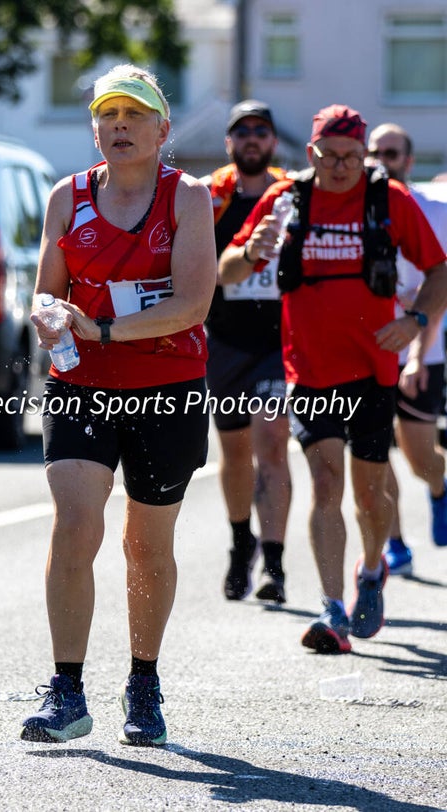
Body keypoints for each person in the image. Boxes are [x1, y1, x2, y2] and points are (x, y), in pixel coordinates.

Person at [19, 64, 216, 745]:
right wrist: (47, 317)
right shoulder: (66, 196)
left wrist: (101, 328)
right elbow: (46, 291)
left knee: (144, 545)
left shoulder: (188, 197)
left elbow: (193, 303)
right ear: (94, 130)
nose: (119, 125)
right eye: (107, 115)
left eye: (133, 114)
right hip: (82, 387)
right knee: (76, 524)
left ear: (162, 129)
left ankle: (143, 681)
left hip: (167, 388)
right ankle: (66, 691)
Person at [219, 104, 447, 654]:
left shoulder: (388, 200)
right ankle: (332, 607)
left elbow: (440, 269)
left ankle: (370, 572)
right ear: (312, 152)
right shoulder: (287, 199)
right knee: (325, 484)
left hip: (373, 369)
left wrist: (414, 323)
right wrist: (252, 250)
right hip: (309, 371)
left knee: (371, 497)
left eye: (353, 157)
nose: (343, 167)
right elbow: (226, 272)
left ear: (364, 154)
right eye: (331, 156)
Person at [201, 100, 291, 604]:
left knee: (272, 444)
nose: (252, 138)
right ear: (230, 143)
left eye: (261, 130)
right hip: (225, 341)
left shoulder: (291, 196)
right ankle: (241, 543)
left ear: (273, 141)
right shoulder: (210, 197)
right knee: (234, 453)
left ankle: (274, 565)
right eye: (242, 131)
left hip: (279, 344)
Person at [367, 123, 447, 574]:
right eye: (374, 151)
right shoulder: (350, 209)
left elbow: (439, 292)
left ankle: (439, 485)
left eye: (391, 153)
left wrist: (417, 354)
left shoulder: (435, 210)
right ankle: (395, 541)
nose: (381, 160)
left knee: (419, 457)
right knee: (375, 452)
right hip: (369, 353)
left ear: (409, 161)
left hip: (423, 350)